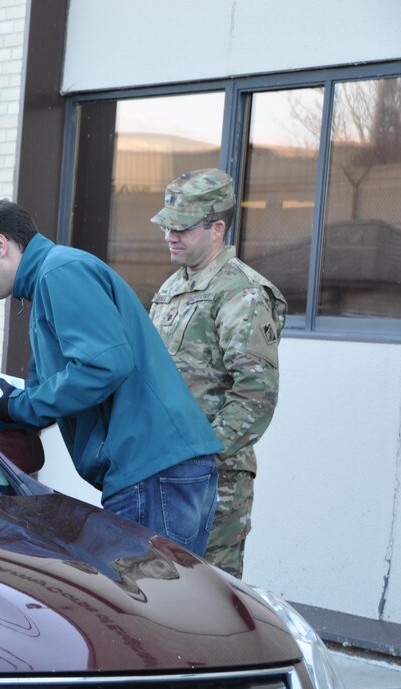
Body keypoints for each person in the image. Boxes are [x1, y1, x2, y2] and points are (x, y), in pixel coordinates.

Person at [0, 199, 222, 557]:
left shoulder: (59, 273)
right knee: (162, 603)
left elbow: (102, 367)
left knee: (147, 606)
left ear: (0, 245)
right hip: (155, 469)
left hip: (150, 469)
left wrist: (18, 403)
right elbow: (46, 391)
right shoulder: (50, 280)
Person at [148, 168, 287, 578]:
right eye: (167, 226)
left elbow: (255, 396)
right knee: (163, 596)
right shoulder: (172, 288)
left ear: (216, 228)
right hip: (164, 472)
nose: (170, 235)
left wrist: (201, 455)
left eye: (181, 228)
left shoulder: (241, 292)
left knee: (212, 602)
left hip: (213, 481)